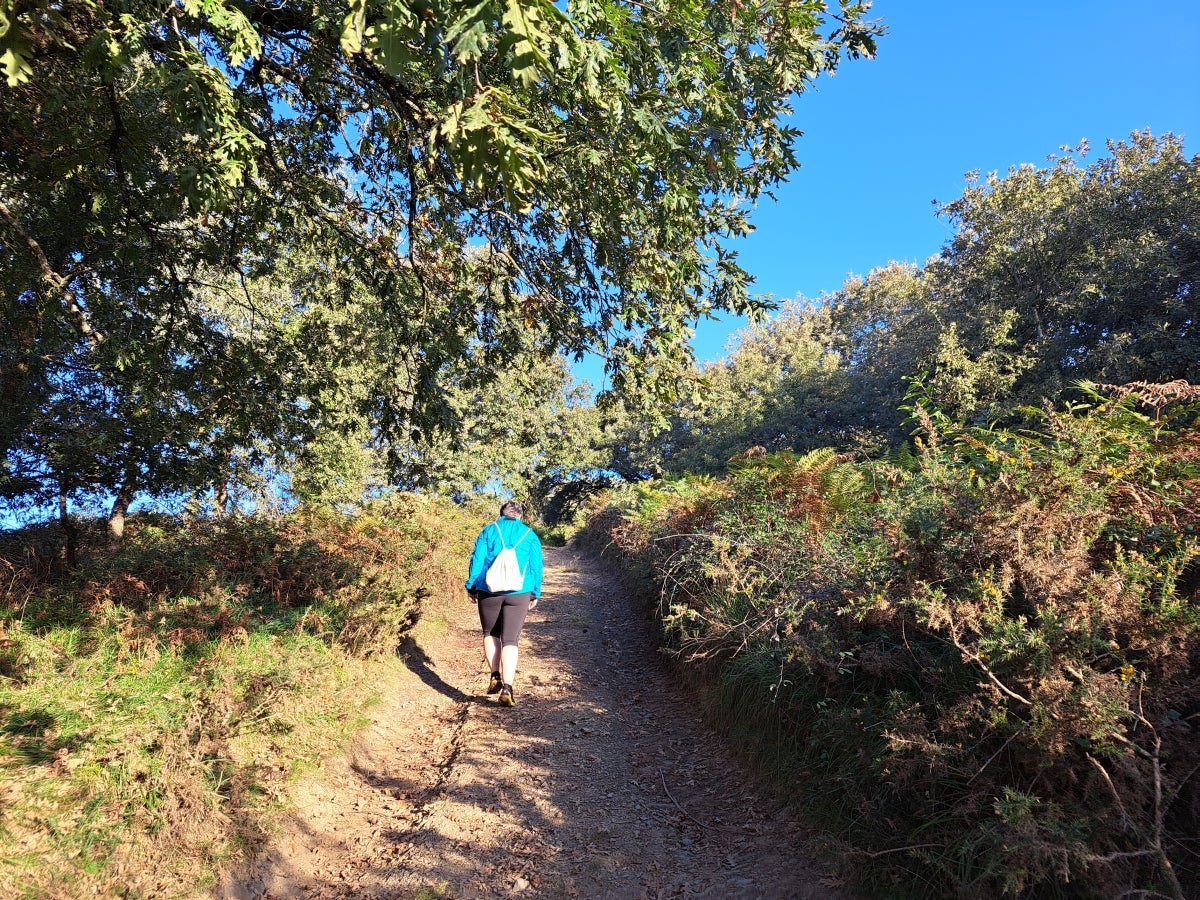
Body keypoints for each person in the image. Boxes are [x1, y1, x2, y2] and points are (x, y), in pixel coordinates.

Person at [465, 500, 544, 707]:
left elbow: (477, 559)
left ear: (501, 514)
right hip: (519, 592)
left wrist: (472, 586)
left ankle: (494, 676)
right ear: (520, 516)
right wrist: (535, 592)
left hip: (488, 590)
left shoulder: (489, 531)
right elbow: (536, 565)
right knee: (511, 639)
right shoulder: (529, 535)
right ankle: (508, 688)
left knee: (490, 633)